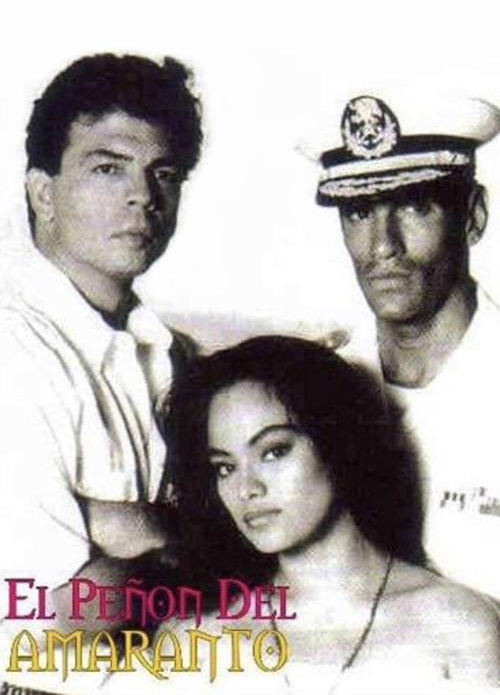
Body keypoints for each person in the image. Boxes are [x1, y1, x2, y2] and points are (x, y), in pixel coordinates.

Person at [0, 53, 202, 694]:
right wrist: (180, 541)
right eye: (108, 168)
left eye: (162, 173)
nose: (143, 195)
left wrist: (125, 533)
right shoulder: (13, 351)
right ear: (43, 193)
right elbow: (56, 628)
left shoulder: (169, 353)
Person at [159, 336, 500, 693]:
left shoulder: (457, 625)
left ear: (336, 443)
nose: (247, 489)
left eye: (274, 451)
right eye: (225, 468)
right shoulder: (197, 637)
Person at [314, 93, 500, 599]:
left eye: (416, 206)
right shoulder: (317, 392)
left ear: (473, 216)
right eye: (359, 212)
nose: (382, 246)